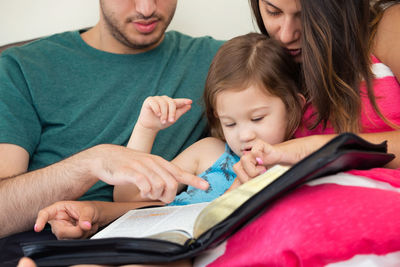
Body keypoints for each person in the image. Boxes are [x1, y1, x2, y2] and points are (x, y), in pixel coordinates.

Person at [0, 0, 222, 265]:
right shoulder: (22, 67)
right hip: (43, 249)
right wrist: (91, 163)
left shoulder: (217, 61)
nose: (147, 8)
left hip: (153, 244)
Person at [33, 33, 305, 242]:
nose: (244, 134)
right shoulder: (209, 151)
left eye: (257, 118)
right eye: (230, 123)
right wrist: (146, 129)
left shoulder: (297, 160)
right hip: (156, 239)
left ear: (295, 106)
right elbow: (128, 196)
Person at [196, 0, 400, 266]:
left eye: (304, 16)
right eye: (273, 12)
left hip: (361, 214)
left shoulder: (388, 26)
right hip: (285, 226)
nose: (286, 34)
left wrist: (312, 148)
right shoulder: (275, 64)